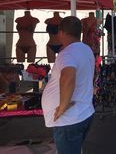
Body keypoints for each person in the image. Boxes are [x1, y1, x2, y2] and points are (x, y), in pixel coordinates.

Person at [41, 16, 95, 154]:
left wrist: (62, 107)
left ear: (62, 32)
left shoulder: (68, 53)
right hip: (82, 112)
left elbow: (68, 78)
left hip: (69, 119)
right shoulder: (86, 49)